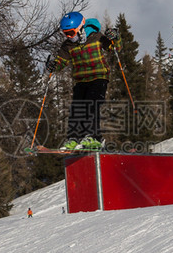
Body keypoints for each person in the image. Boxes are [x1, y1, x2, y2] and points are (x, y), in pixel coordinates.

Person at [46, 11, 121, 150]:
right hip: (81, 80)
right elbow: (60, 62)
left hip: (99, 77)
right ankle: (74, 138)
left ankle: (94, 137)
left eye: (71, 33)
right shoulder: (67, 46)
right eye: (65, 33)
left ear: (80, 27)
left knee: (92, 106)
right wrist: (53, 65)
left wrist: (115, 38)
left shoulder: (97, 37)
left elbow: (114, 47)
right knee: (77, 109)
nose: (69, 36)